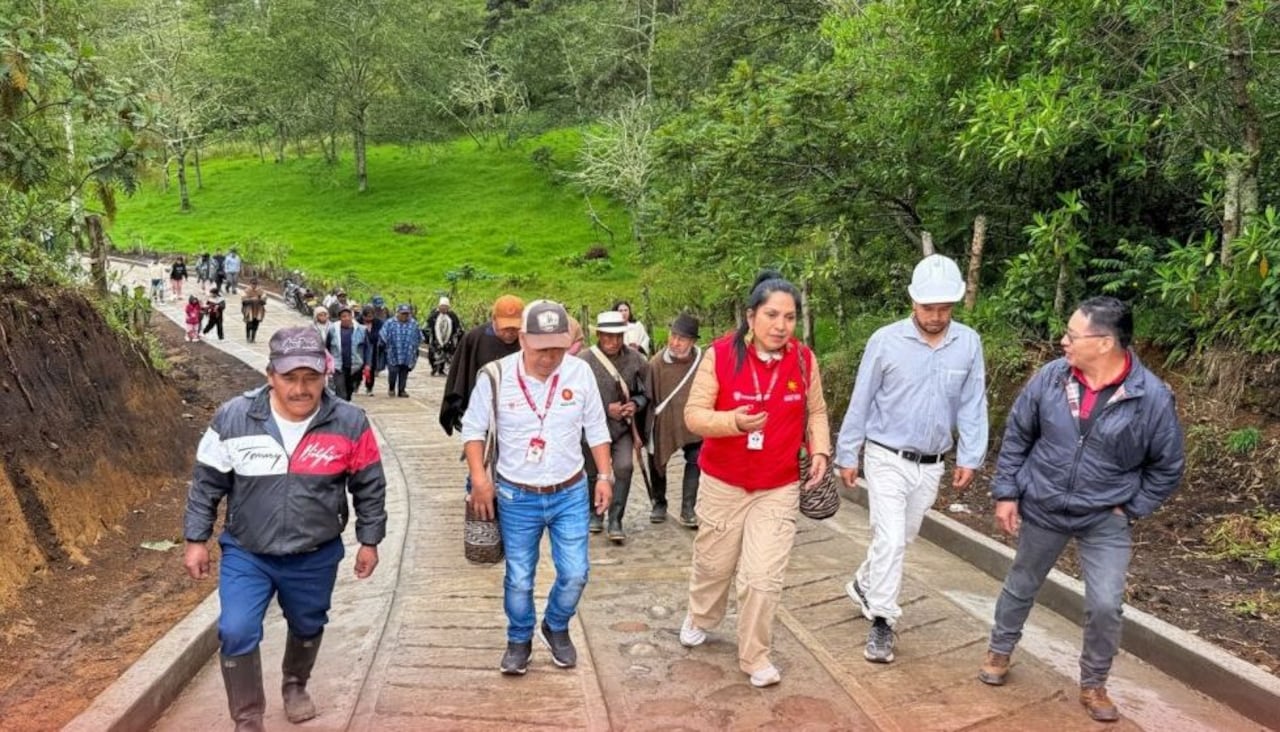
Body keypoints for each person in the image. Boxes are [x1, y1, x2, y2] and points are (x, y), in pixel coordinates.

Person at [978, 296, 1184, 723]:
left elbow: (1167, 465)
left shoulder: (1151, 397)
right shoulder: (1051, 378)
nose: (1063, 341)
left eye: (1072, 335)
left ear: (1105, 343)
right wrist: (1007, 493)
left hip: (1104, 516)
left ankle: (1094, 684)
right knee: (1022, 583)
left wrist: (1130, 509)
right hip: (1046, 503)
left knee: (1106, 603)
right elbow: (1018, 435)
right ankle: (1000, 651)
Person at [183, 326, 387, 731]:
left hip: (316, 553)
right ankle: (248, 718)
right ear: (270, 375)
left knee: (308, 624)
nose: (300, 388)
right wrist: (196, 539)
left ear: (325, 374)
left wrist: (370, 540)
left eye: (311, 377)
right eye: (290, 377)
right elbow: (206, 482)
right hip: (248, 551)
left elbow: (369, 485)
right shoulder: (233, 417)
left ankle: (295, 684)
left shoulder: (349, 422)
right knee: (236, 628)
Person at [679, 271, 830, 689]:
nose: (781, 325)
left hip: (778, 486)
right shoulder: (720, 354)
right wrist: (733, 422)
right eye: (771, 315)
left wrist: (820, 450)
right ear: (750, 316)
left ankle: (755, 654)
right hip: (724, 483)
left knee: (762, 578)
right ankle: (701, 615)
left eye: (790, 317)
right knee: (714, 566)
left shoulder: (803, 359)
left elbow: (815, 411)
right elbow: (694, 415)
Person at [834, 254, 988, 665]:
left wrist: (971, 454)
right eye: (928, 308)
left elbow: (973, 403)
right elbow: (861, 400)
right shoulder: (885, 341)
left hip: (932, 461)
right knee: (889, 538)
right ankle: (883, 621)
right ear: (912, 302)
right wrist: (848, 453)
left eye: (944, 308)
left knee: (902, 537)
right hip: (886, 455)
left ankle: (866, 583)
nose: (937, 316)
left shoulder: (968, 343)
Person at [460, 300, 613, 676]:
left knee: (575, 572)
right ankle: (519, 638)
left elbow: (595, 428)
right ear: (523, 340)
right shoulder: (495, 376)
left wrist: (606, 475)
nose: (550, 357)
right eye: (543, 348)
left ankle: (556, 625)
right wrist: (480, 479)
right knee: (520, 576)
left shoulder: (579, 374)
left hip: (570, 491)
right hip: (516, 495)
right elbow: (473, 429)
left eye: (558, 347)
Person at [577, 310, 650, 541]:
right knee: (592, 473)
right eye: (608, 336)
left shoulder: (637, 360)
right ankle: (595, 513)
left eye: (618, 336)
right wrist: (605, 408)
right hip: (591, 430)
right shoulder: (582, 361)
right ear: (599, 335)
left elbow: (644, 393)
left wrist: (635, 405)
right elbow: (574, 398)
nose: (613, 341)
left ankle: (616, 518)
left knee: (625, 467)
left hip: (622, 429)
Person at [645, 313, 704, 528]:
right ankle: (659, 502)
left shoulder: (702, 361)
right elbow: (647, 396)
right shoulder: (656, 363)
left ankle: (688, 507)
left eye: (682, 339)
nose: (675, 343)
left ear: (692, 341)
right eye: (673, 336)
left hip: (692, 422)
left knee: (697, 458)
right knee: (656, 459)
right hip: (665, 421)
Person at [439, 294, 524, 435]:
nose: (510, 333)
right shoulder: (475, 338)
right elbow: (460, 377)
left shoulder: (529, 340)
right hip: (482, 413)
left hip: (518, 415)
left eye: (515, 328)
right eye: (505, 327)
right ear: (494, 319)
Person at [380, 304, 422, 397]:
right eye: (403, 314)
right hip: (393, 352)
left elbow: (419, 337)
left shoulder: (413, 324)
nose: (405, 316)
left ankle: (402, 390)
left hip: (407, 353)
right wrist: (387, 345)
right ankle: (391, 388)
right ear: (398, 313)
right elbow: (383, 335)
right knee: (393, 371)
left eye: (407, 314)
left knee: (404, 371)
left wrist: (414, 347)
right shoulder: (390, 323)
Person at [331, 305, 367, 401]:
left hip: (355, 365)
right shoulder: (333, 330)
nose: (346, 318)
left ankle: (346, 404)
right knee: (340, 390)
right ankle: (342, 409)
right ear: (340, 318)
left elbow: (366, 348)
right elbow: (327, 346)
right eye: (343, 316)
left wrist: (367, 363)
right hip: (338, 365)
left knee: (349, 389)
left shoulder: (361, 330)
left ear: (352, 316)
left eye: (348, 316)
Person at [425, 296, 464, 376]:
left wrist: (456, 335)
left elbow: (457, 327)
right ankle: (434, 368)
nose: (443, 308)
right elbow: (428, 327)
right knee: (434, 354)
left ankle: (442, 369)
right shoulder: (434, 315)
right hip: (435, 339)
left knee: (447, 354)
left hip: (449, 339)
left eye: (445, 307)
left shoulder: (452, 316)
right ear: (439, 307)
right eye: (442, 306)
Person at [359, 304, 386, 395]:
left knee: (371, 368)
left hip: (374, 348)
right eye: (367, 316)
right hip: (360, 348)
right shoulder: (358, 322)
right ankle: (356, 383)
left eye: (371, 316)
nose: (369, 318)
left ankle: (369, 387)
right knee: (358, 367)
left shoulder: (378, 323)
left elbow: (380, 334)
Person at [240, 278, 267, 344]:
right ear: (250, 284)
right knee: (249, 324)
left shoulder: (261, 291)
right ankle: (248, 337)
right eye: (253, 284)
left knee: (256, 324)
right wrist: (252, 299)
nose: (254, 285)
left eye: (255, 284)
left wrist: (260, 299)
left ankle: (253, 338)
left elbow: (264, 301)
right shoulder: (246, 291)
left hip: (258, 310)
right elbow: (244, 301)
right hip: (249, 310)